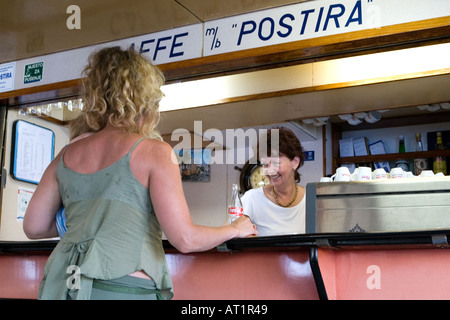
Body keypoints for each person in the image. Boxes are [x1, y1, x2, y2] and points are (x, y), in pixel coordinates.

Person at [23, 46, 257, 300]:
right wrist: (234, 228)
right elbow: (185, 239)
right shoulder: (155, 152)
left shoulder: (66, 154)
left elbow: (34, 227)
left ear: (95, 95)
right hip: (124, 288)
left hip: (64, 284)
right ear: (146, 98)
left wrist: (88, 219)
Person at [242, 127, 306, 236]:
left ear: (295, 162)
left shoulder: (312, 200)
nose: (270, 170)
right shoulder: (251, 199)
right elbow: (230, 233)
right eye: (265, 164)